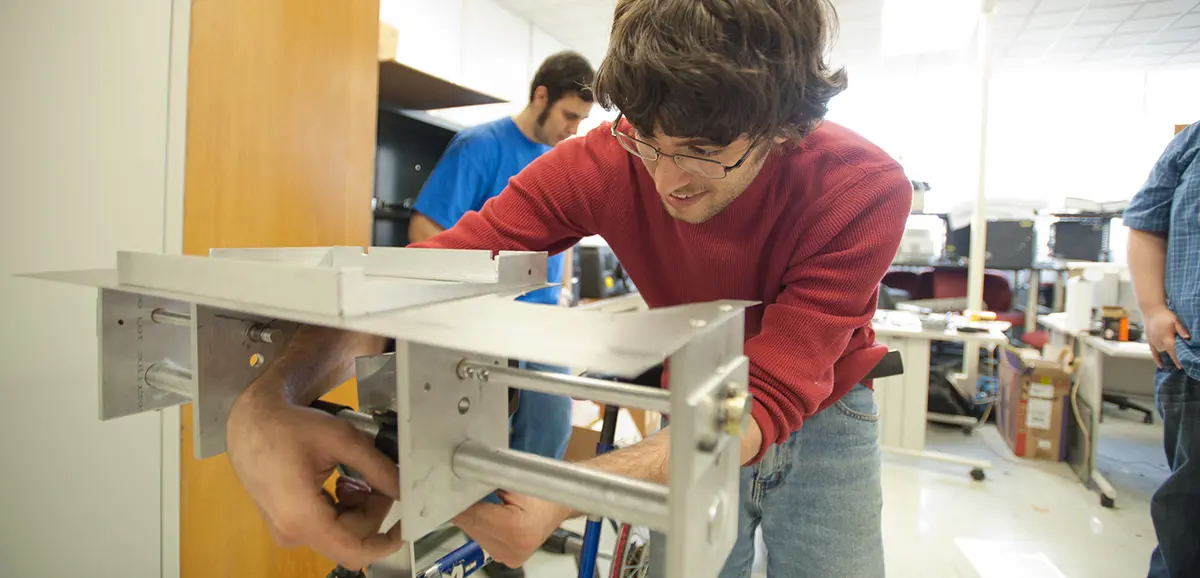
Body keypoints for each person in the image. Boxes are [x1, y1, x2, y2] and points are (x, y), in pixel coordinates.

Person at [224, 1, 912, 576]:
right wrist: (269, 398)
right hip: (695, 401)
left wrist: (572, 490)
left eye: (705, 151)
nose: (669, 180)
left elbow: (763, 399)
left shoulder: (862, 188)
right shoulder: (607, 160)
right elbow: (432, 270)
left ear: (784, 127)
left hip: (827, 418)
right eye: (648, 139)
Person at [405, 51, 594, 578]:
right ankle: (492, 543)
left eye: (582, 120)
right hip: (486, 325)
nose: (574, 129)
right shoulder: (479, 147)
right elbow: (424, 233)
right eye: (569, 117)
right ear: (541, 97)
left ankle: (527, 518)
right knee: (487, 444)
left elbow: (563, 244)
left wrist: (566, 301)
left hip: (541, 325)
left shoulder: (565, 162)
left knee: (548, 432)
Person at [1125, 122, 1199, 578]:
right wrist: (1152, 309)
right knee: (1187, 520)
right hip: (1195, 361)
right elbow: (1146, 222)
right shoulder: (1191, 143)